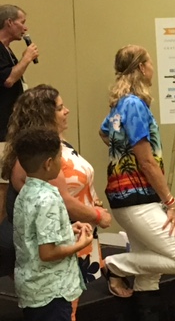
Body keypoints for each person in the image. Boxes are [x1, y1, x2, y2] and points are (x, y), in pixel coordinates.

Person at [100, 45, 175, 321]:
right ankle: (114, 265)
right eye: (150, 63)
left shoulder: (121, 103)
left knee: (149, 274)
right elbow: (146, 161)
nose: (153, 68)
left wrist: (122, 153)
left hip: (127, 194)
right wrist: (170, 201)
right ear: (142, 68)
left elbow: (104, 132)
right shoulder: (133, 104)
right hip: (137, 197)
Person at [0, 85, 124, 310]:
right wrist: (98, 216)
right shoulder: (39, 158)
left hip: (73, 231)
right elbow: (62, 201)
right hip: (59, 243)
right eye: (59, 108)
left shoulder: (56, 146)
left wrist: (91, 202)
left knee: (70, 306)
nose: (66, 111)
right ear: (44, 114)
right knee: (62, 308)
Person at [12, 126, 90, 321]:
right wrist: (80, 244)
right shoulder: (48, 198)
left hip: (33, 290)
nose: (61, 162)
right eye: (59, 158)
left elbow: (34, 234)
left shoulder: (25, 193)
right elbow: (47, 253)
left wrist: (68, 229)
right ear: (48, 163)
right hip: (51, 293)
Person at [0, 5, 38, 143]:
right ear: (9, 22)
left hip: (11, 123)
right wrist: (27, 58)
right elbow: (8, 79)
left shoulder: (6, 49)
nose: (25, 28)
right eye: (22, 22)